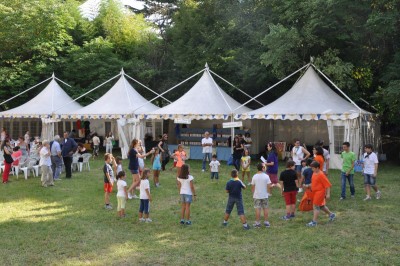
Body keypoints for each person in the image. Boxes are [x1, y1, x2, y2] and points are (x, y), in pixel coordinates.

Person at [306, 161, 336, 227]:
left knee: (315, 206)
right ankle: (331, 215)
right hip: (315, 192)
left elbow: (327, 185)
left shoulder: (321, 175)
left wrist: (328, 194)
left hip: (319, 192)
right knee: (321, 206)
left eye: (313, 168)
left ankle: (314, 222)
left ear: (317, 168)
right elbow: (315, 182)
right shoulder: (314, 173)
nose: (312, 169)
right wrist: (308, 185)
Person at [251, 163, 272, 228]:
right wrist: (269, 192)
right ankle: (266, 222)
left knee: (258, 209)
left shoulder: (254, 176)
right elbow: (269, 186)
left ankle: (257, 223)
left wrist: (253, 194)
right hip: (265, 195)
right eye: (264, 167)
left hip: (257, 195)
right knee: (265, 208)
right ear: (263, 168)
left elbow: (253, 187)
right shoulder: (266, 176)